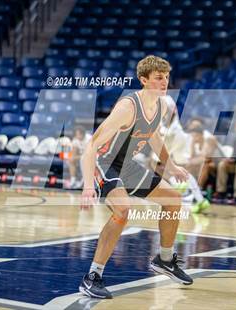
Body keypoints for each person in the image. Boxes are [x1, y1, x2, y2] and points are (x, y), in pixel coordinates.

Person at [79, 55, 193, 299]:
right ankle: (92, 277)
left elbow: (153, 136)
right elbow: (91, 147)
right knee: (123, 210)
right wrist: (88, 186)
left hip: (126, 166)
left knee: (173, 199)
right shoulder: (127, 107)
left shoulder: (163, 105)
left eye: (167, 77)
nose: (165, 82)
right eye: (159, 78)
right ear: (144, 80)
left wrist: (170, 166)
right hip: (105, 162)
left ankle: (164, 259)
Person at [212, 121, 236, 205]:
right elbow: (235, 154)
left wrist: (234, 160)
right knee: (222, 164)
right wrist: (230, 159)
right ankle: (221, 192)